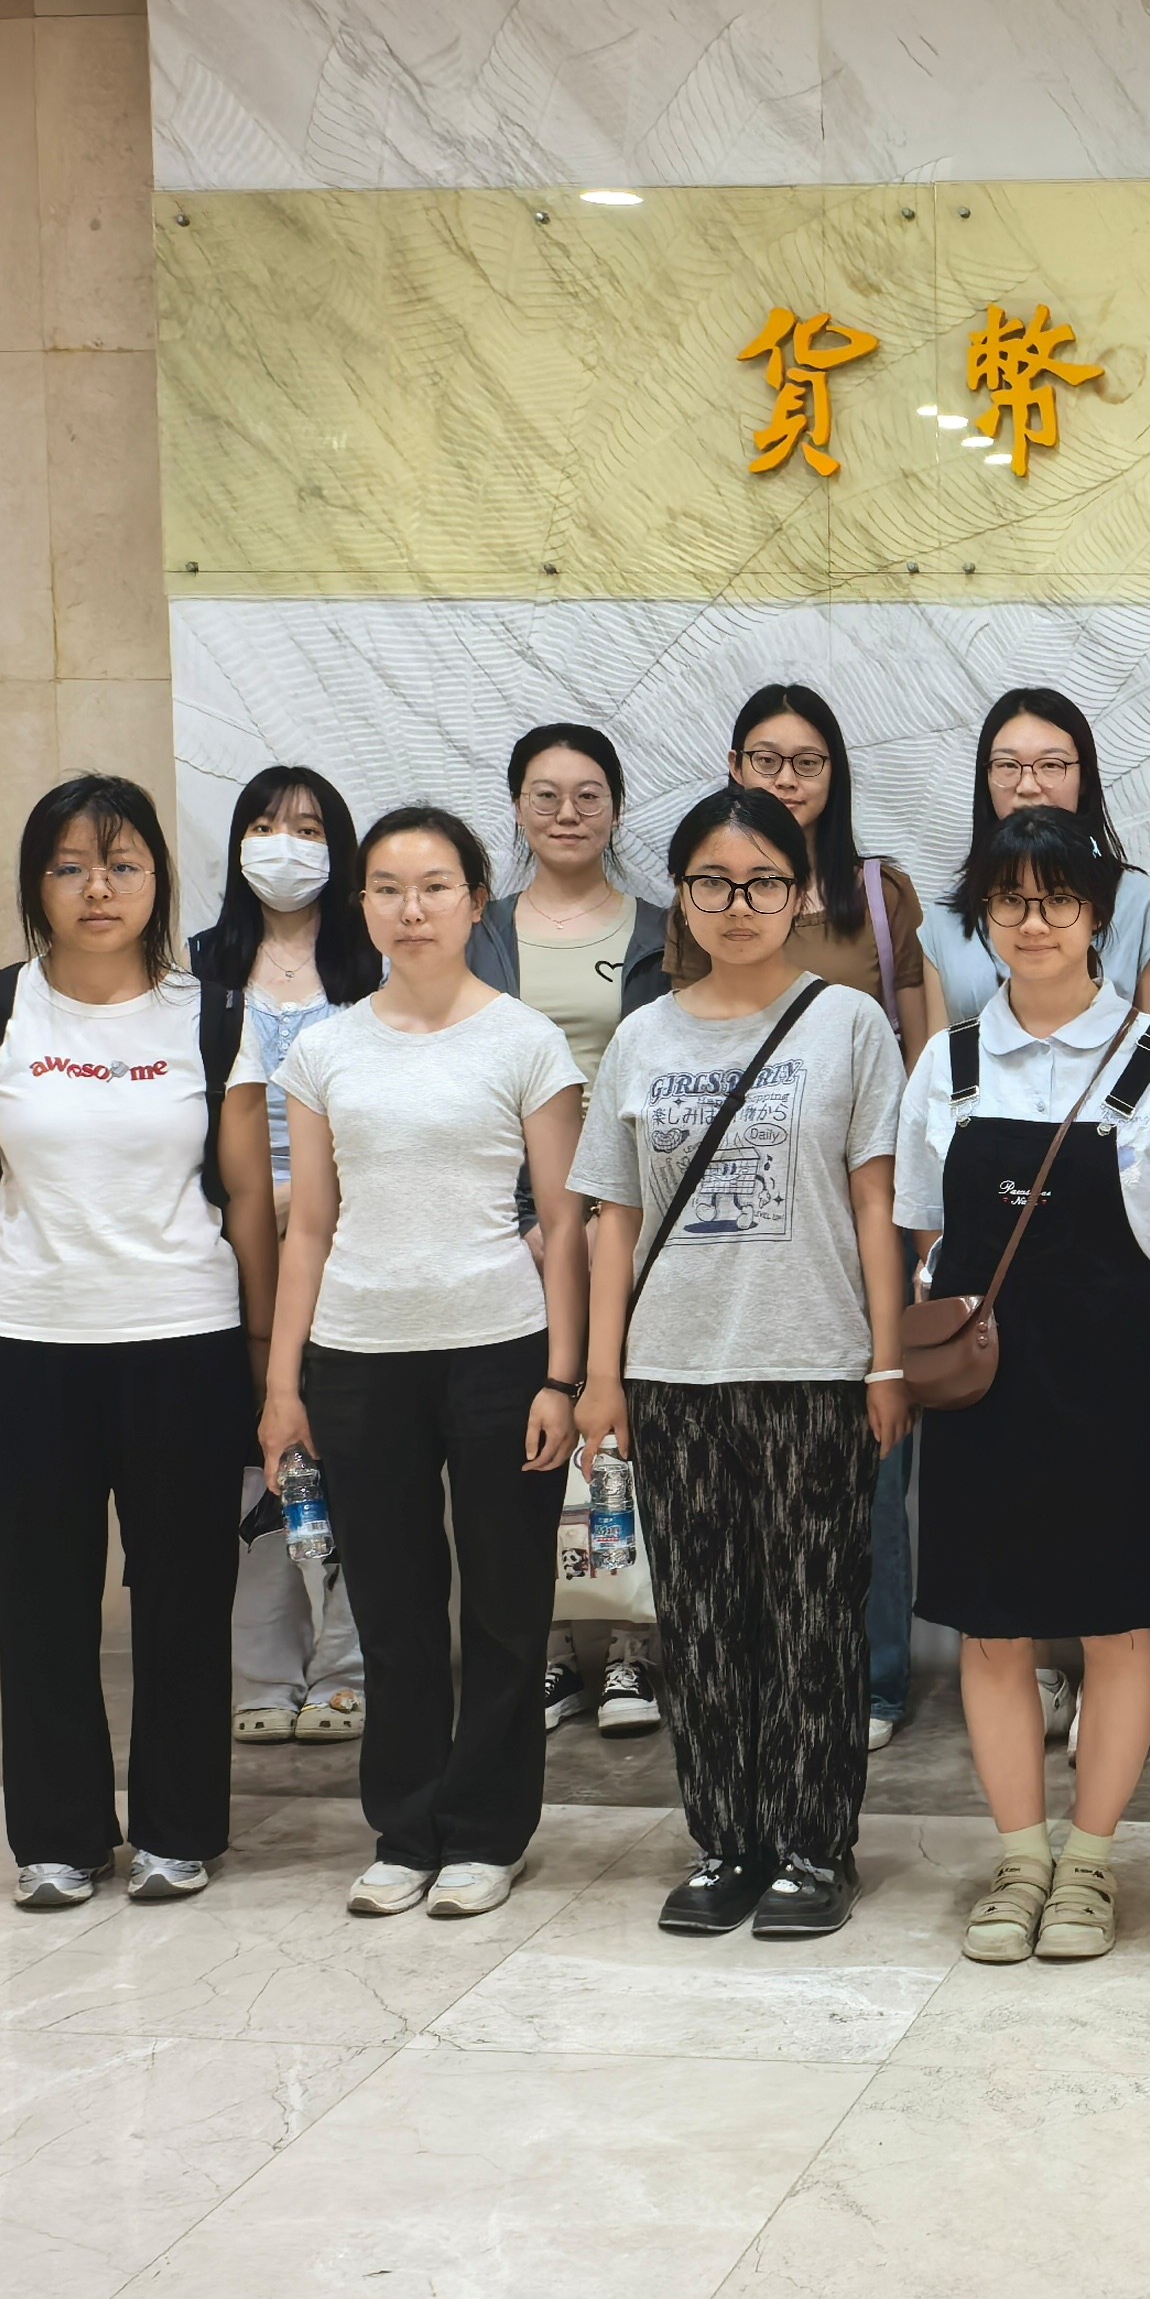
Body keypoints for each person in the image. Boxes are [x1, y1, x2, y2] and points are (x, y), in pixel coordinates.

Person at [897, 808, 1150, 1965]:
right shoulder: (946, 1065)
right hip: (981, 1393)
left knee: (1117, 1626)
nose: (1033, 922)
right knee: (992, 1635)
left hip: (1115, 1387)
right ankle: (1018, 1860)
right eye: (1010, 901)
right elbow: (926, 1231)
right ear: (983, 919)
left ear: (1097, 914)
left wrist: (1124, 1319)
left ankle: (1089, 1863)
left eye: (1056, 900)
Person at [0, 776, 270, 1908]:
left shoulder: (215, 1016)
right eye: (69, 867)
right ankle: (59, 1838)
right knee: (43, 1603)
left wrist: (271, 1362)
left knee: (185, 1598)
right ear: (38, 885)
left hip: (186, 1341)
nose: (97, 889)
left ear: (158, 879)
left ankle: (178, 1831)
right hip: (25, 1344)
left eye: (121, 865)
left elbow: (251, 1203)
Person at [574, 784, 911, 1940]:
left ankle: (814, 1847)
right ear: (681, 897)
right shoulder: (642, 1037)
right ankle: (725, 1841)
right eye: (711, 883)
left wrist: (884, 1363)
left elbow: (876, 1204)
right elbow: (612, 1219)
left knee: (814, 1614)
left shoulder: (847, 1025)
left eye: (763, 881)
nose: (737, 904)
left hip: (813, 1361)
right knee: (704, 1619)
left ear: (801, 893)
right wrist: (602, 1375)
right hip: (672, 1371)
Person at [262, 806, 588, 1920]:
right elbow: (308, 1227)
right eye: (389, 889)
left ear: (474, 902)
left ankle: (489, 1835)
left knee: (505, 1607)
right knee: (393, 1611)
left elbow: (564, 1219)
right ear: (361, 905)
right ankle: (404, 1832)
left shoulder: (526, 1041)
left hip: (500, 1349)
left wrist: (564, 1377)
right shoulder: (324, 1048)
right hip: (359, 1355)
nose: (413, 909)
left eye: (436, 886)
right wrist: (282, 1386)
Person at [918, 685, 1150, 1755]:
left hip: (1110, 1337)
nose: (1034, 923)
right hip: (985, 1343)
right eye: (1008, 763)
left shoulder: (1144, 936)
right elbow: (926, 1202)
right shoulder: (944, 1007)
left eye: (1053, 761)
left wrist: (1136, 1297)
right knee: (994, 1612)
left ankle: (1095, 1816)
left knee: (1118, 1602)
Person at [726, 683, 935, 1751]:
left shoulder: (875, 894)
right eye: (765, 759)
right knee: (754, 1444)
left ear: (833, 775)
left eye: (806, 762)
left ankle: (875, 1677)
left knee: (874, 1436)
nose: (785, 779)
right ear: (734, 769)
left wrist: (924, 1206)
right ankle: (768, 1663)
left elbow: (921, 1056)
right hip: (749, 1211)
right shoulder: (711, 892)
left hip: (868, 1200)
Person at [467, 718, 672, 1741]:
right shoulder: (481, 931)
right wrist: (527, 1219)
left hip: (633, 1212)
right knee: (527, 1425)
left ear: (617, 810)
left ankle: (634, 1647)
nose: (566, 813)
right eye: (544, 795)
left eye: (588, 795)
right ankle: (547, 1646)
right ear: (516, 809)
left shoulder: (663, 932)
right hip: (507, 1221)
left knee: (628, 1422)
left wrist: (600, 1221)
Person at [192, 764, 381, 1750]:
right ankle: (263, 1668)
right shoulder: (193, 971)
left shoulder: (375, 966)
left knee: (354, 1452)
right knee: (251, 1456)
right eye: (265, 826)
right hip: (223, 1249)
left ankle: (349, 1666)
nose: (286, 846)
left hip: (350, 1239)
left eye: (308, 829)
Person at [920, 687, 1150, 1027]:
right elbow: (937, 1054)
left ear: (1084, 778)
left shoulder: (1141, 902)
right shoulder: (944, 918)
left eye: (1050, 765)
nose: (1028, 785)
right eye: (1007, 765)